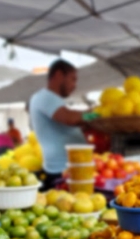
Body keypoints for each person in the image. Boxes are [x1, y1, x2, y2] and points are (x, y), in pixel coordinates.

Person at [29, 60, 93, 190]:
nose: (74, 85)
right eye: (72, 79)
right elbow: (71, 118)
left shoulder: (53, 100)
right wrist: (96, 114)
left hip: (70, 170)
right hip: (62, 172)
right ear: (58, 75)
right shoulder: (45, 97)